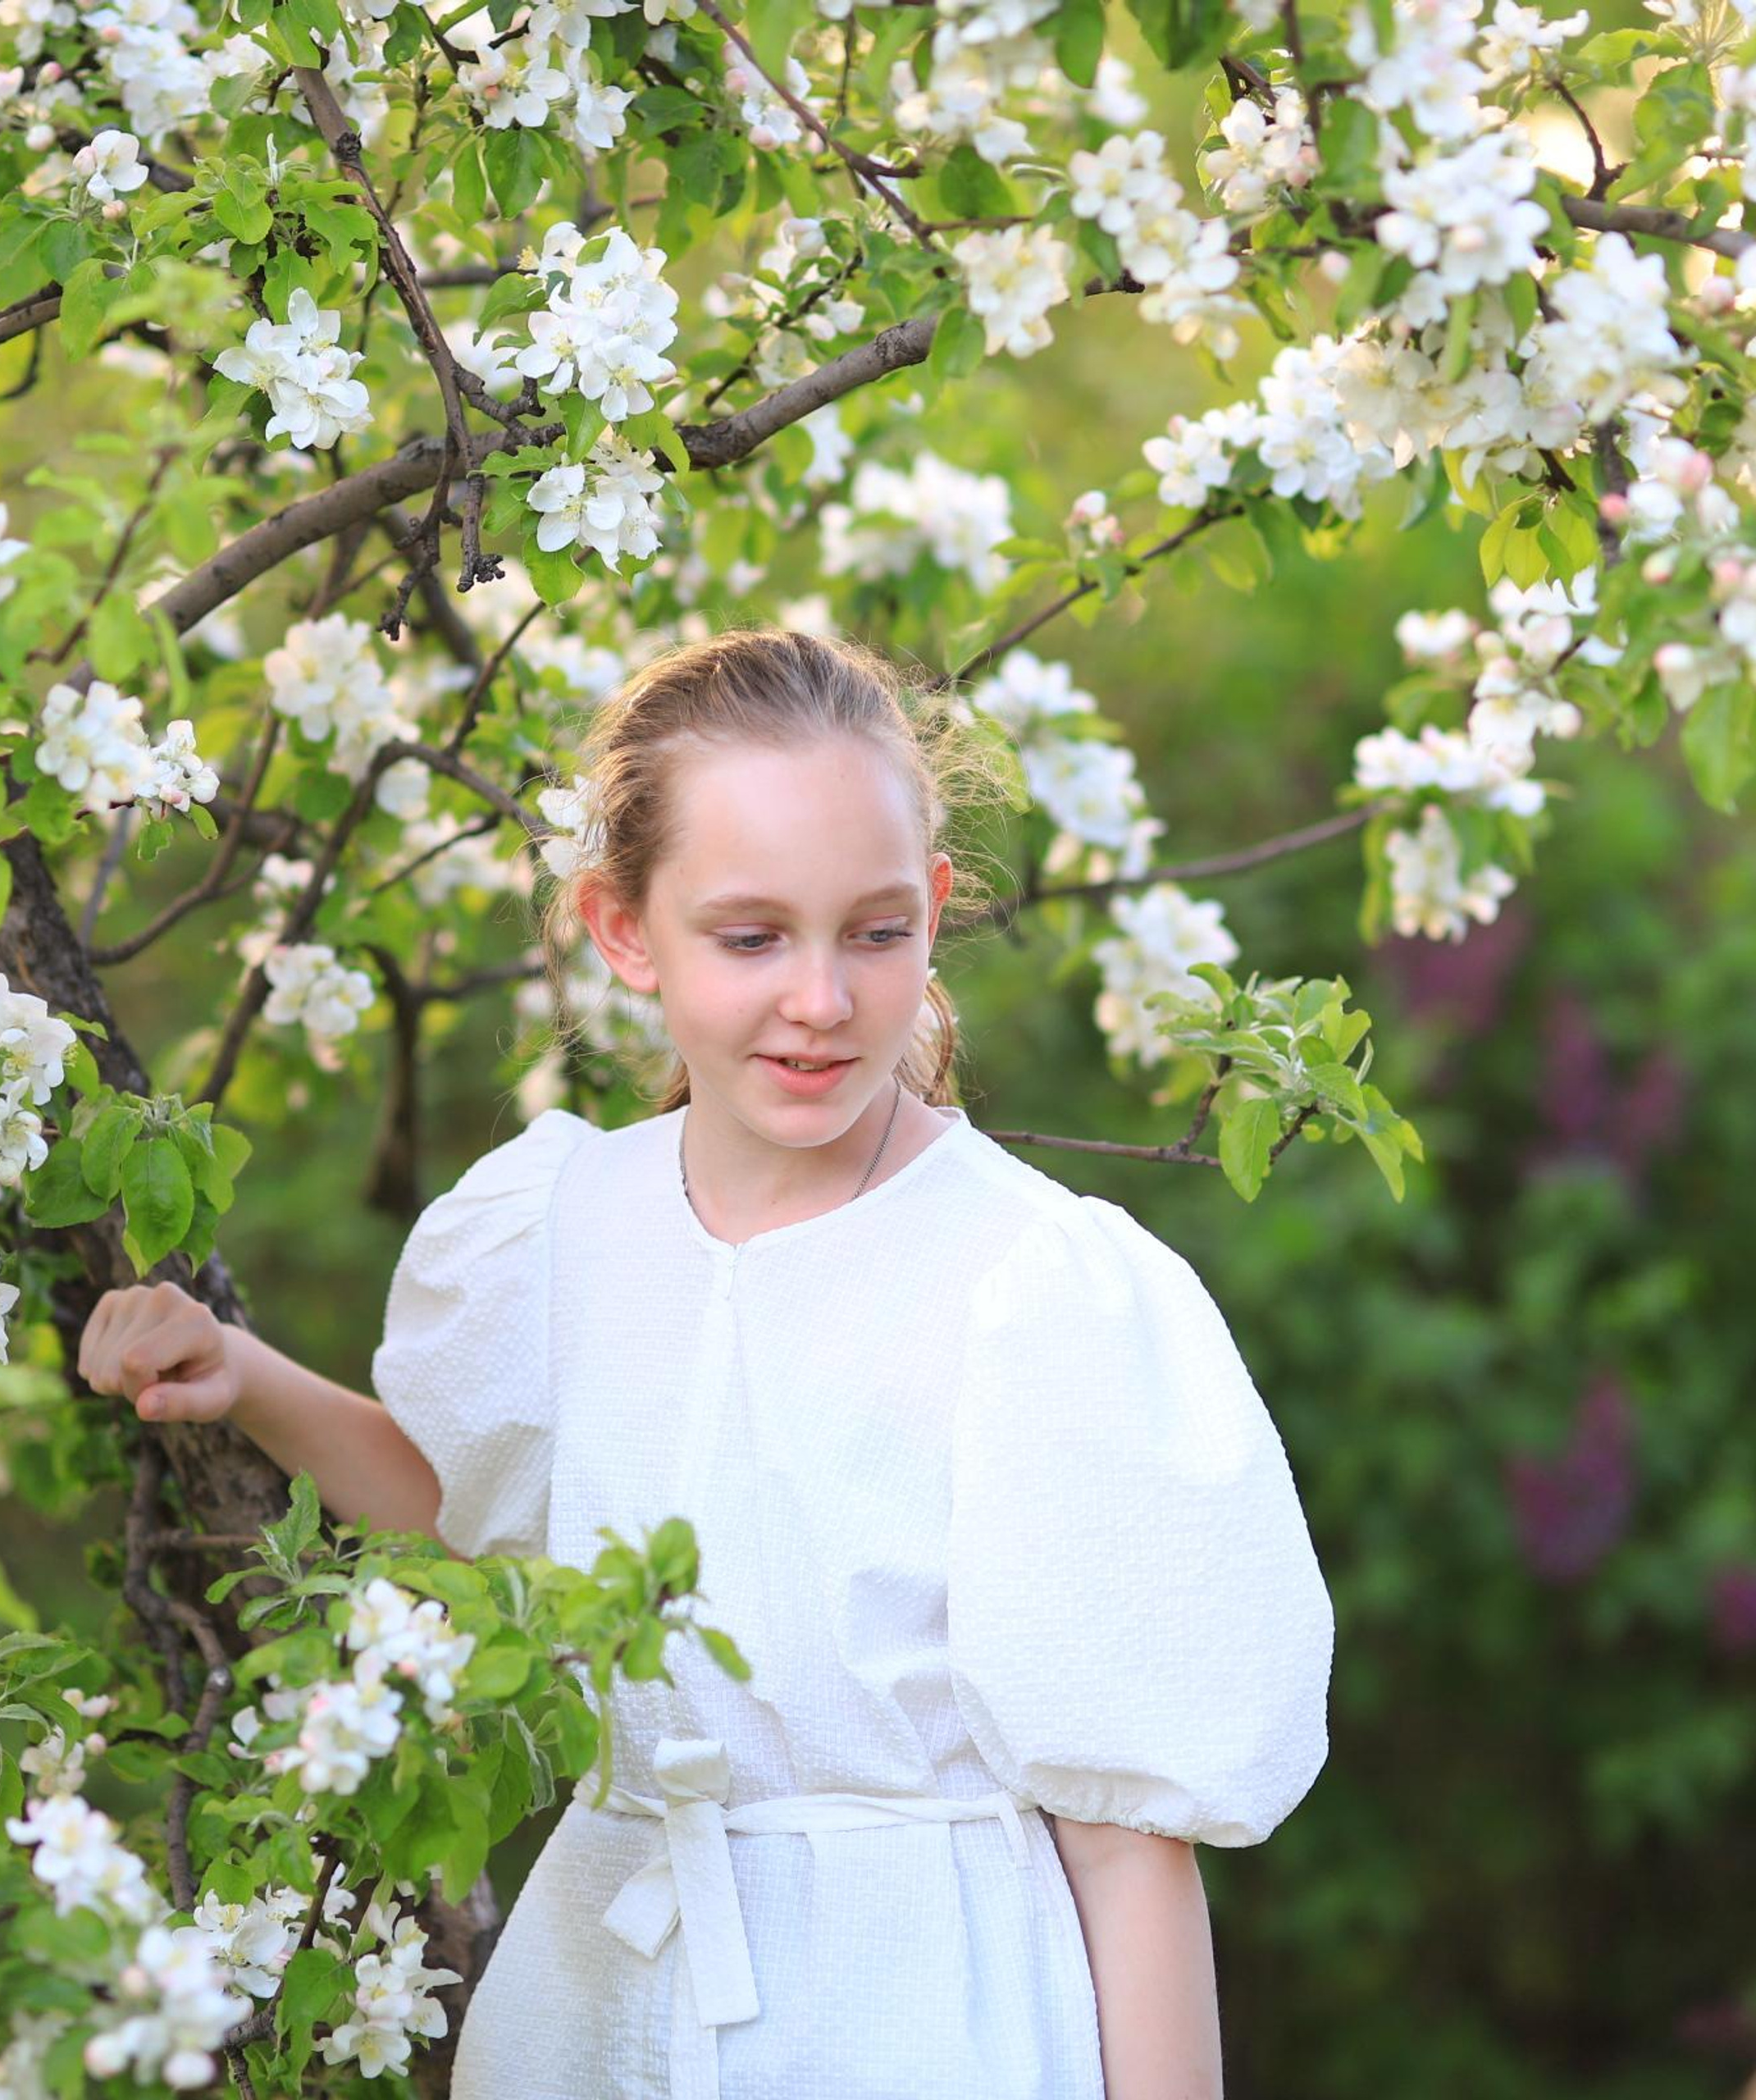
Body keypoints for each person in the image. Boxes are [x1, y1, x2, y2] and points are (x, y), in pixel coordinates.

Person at [77, 627, 1336, 2100]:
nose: (821, 998)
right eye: (752, 937)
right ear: (624, 930)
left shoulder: (1032, 1285)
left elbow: (1129, 1843)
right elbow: (468, 1510)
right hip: (604, 1996)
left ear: (933, 911)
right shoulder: (559, 1226)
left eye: (874, 933)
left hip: (918, 2006)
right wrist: (248, 1376)